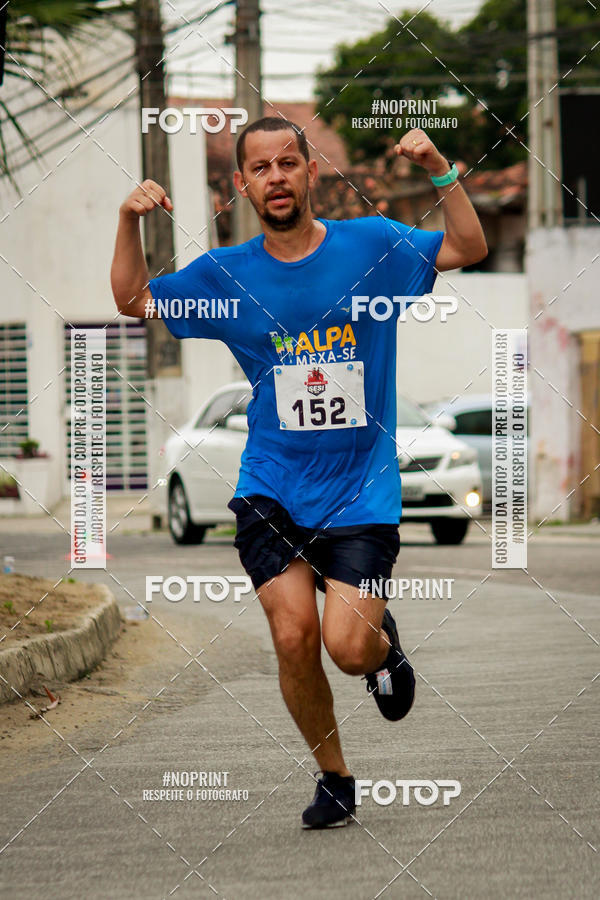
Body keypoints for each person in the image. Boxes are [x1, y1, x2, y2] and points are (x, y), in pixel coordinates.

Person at [111, 117, 487, 829]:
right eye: (261, 167)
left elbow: (470, 244)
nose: (276, 176)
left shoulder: (374, 247)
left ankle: (381, 650)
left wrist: (439, 168)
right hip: (272, 484)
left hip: (360, 489)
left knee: (346, 649)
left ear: (312, 173)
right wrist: (128, 221)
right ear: (242, 184)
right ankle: (335, 778)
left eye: (289, 163)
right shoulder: (225, 276)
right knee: (291, 639)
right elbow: (133, 300)